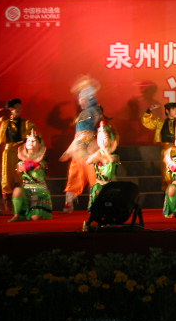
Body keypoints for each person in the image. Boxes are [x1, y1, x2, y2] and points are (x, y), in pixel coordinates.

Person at [60, 76, 103, 213]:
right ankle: (89, 204)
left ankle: (72, 204)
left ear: (88, 99)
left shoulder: (88, 113)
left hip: (86, 149)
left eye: (83, 100)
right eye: (80, 100)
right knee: (89, 177)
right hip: (87, 148)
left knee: (84, 176)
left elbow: (83, 134)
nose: (80, 103)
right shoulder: (94, 111)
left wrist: (69, 150)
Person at [0, 98, 35, 210]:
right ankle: (7, 202)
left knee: (24, 175)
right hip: (8, 151)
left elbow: (33, 135)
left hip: (22, 151)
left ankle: (26, 202)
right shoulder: (4, 122)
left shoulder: (26, 123)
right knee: (7, 176)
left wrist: (22, 142)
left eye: (20, 107)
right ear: (10, 109)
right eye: (16, 107)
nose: (19, 109)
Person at [9, 130, 52, 222]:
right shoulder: (21, 160)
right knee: (17, 191)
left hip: (39, 191)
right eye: (28, 140)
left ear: (39, 144)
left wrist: (25, 166)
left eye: (33, 140)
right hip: (26, 189)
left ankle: (35, 211)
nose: (30, 142)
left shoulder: (42, 160)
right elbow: (19, 170)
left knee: (35, 218)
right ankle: (18, 214)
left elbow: (32, 166)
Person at [141, 102, 176, 191]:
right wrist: (149, 110)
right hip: (166, 150)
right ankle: (167, 191)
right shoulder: (160, 123)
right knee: (166, 172)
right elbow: (146, 122)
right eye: (173, 110)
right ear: (167, 111)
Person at [86, 121, 120, 210]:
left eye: (105, 137)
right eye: (100, 137)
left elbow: (109, 161)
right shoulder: (98, 153)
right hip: (98, 184)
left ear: (111, 139)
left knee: (109, 206)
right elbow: (88, 161)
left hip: (109, 185)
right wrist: (99, 150)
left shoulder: (113, 154)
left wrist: (104, 150)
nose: (102, 140)